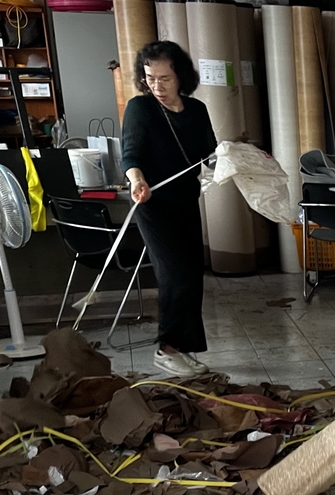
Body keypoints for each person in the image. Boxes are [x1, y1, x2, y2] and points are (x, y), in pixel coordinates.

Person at [121, 40, 217, 378]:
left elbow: (209, 154)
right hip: (153, 204)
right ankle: (166, 350)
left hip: (186, 201)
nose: (156, 86)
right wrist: (136, 180)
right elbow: (130, 154)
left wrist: (234, 159)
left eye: (165, 78)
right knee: (174, 275)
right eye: (150, 78)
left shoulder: (196, 111)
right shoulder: (140, 109)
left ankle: (183, 347)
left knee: (192, 276)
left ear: (181, 77)